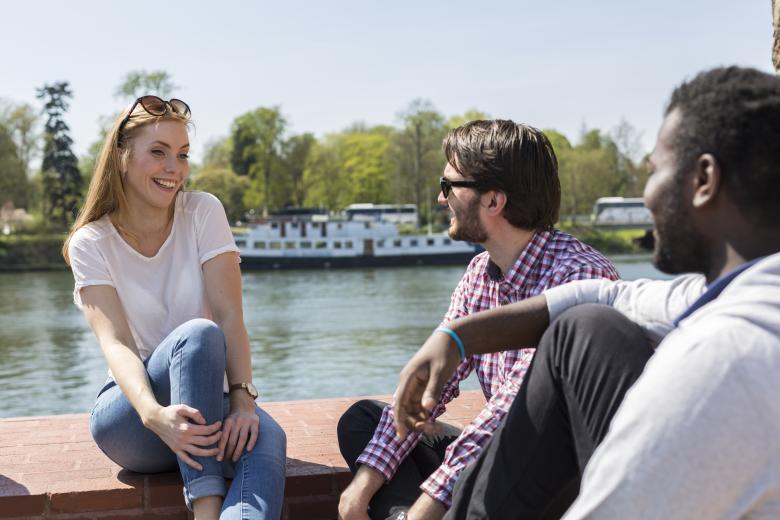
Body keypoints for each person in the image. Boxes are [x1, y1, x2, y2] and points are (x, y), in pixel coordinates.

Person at [394, 66, 780, 519]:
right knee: (585, 327)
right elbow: (600, 299)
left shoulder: (723, 359)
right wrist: (458, 337)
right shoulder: (728, 295)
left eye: (654, 171)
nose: (646, 196)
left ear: (703, 181)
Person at [337, 120, 619, 520]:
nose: (440, 197)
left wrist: (426, 510)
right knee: (364, 421)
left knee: (487, 458)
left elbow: (508, 418)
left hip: (559, 481)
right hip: (499, 457)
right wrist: (361, 488)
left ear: (493, 201)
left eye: (449, 185)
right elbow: (431, 389)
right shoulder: (478, 274)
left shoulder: (580, 278)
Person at [63, 96, 287, 520]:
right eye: (158, 152)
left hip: (212, 404)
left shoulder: (203, 211)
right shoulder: (90, 242)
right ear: (122, 157)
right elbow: (117, 344)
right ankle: (204, 507)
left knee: (265, 440)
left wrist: (242, 404)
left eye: (182, 154)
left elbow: (230, 316)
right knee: (199, 334)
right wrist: (154, 415)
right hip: (133, 422)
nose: (174, 168)